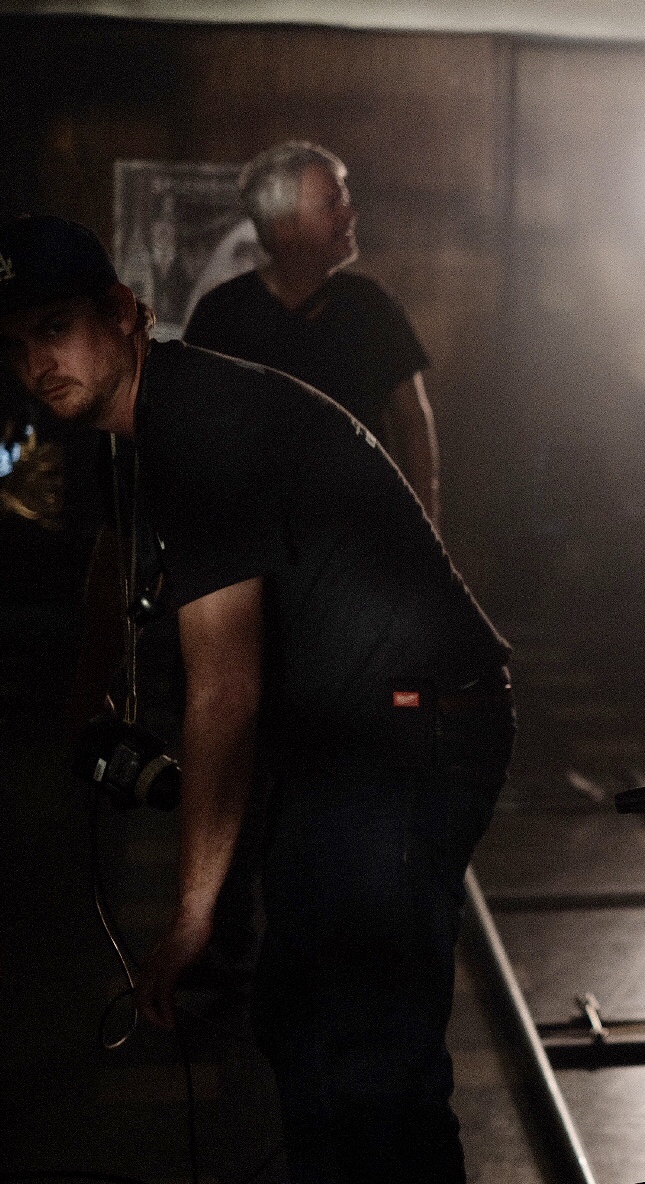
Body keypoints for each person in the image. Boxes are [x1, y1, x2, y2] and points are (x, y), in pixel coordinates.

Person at [0, 214, 512, 1183]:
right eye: (17, 343)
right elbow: (114, 555)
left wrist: (194, 911)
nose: (37, 363)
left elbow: (225, 689)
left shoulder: (201, 423)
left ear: (123, 312)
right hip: (346, 739)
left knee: (373, 1059)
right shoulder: (134, 432)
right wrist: (87, 693)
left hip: (412, 732)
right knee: (300, 1022)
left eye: (56, 328)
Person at [184, 141, 440, 524]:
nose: (350, 214)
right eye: (331, 204)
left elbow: (412, 424)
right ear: (284, 227)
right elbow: (193, 436)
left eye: (345, 200)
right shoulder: (222, 317)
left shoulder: (371, 307)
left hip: (361, 537)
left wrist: (426, 532)